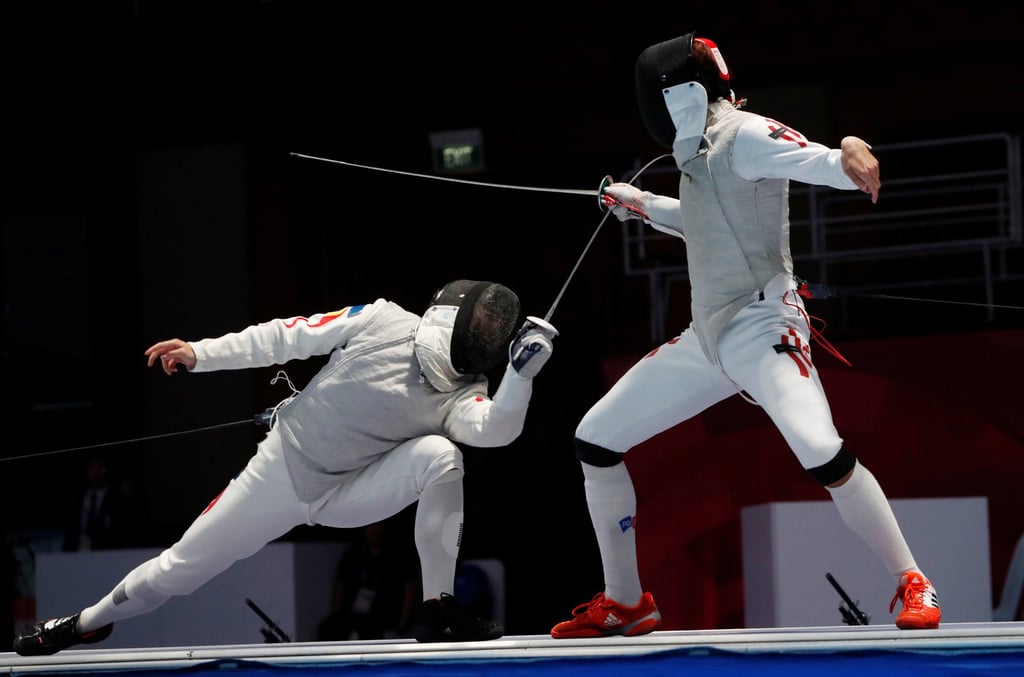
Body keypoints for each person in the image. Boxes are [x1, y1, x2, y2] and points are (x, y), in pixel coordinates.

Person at [550, 32, 941, 638]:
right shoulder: (697, 151)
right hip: (707, 339)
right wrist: (639, 202)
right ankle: (627, 601)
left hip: (764, 328)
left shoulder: (746, 134)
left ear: (676, 94)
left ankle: (912, 579)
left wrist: (849, 149)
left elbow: (818, 162)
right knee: (595, 439)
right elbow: (706, 223)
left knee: (821, 449)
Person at [14, 279, 557, 655]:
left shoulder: (465, 392)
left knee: (443, 458)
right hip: (279, 474)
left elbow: (496, 430)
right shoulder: (383, 319)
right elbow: (287, 336)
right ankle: (85, 623)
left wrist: (519, 379)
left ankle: (438, 611)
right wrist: (203, 353)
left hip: (346, 493)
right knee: (178, 569)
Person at [317, 518, 420, 641]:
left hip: (384, 614)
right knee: (328, 629)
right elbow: (340, 587)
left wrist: (402, 625)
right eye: (370, 525)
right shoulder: (354, 555)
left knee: (368, 631)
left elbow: (410, 591)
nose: (373, 529)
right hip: (353, 614)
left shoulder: (398, 557)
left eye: (377, 525)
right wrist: (338, 616)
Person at [62, 455, 141, 552]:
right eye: (92, 467)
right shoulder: (76, 499)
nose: (96, 472)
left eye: (100, 467)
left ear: (107, 470)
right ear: (86, 471)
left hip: (107, 555)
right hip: (77, 554)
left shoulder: (119, 500)